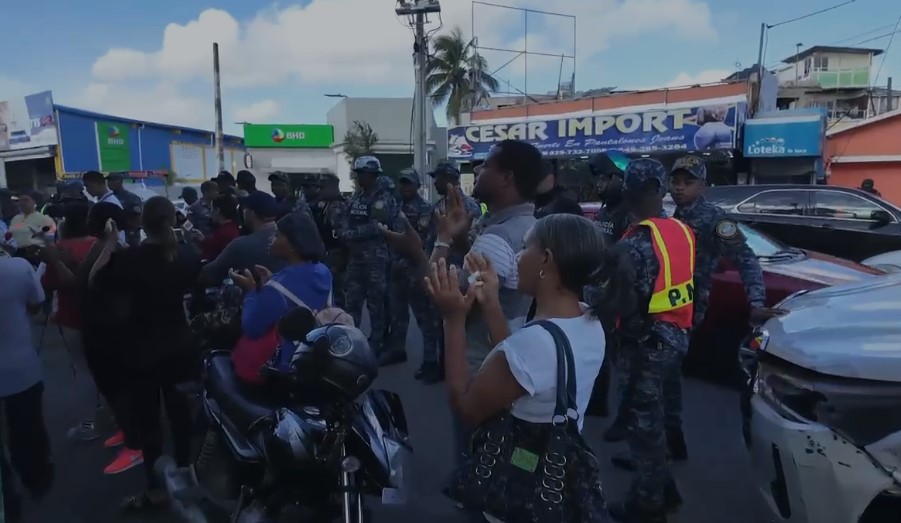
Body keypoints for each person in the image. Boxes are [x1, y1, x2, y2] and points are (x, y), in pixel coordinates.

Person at [424, 214, 636, 523]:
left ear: (546, 260)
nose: (518, 257)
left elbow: (466, 408)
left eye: (525, 248)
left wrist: (452, 320)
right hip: (554, 476)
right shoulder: (586, 318)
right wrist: (492, 304)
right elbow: (524, 366)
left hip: (516, 490)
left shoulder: (535, 344)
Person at [431, 141, 543, 466]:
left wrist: (440, 240)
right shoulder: (528, 227)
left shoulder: (500, 236)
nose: (478, 171)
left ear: (507, 177)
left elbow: (447, 298)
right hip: (507, 355)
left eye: (487, 166)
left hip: (479, 365)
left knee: (475, 467)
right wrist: (464, 240)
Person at [89, 197, 199, 510]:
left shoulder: (129, 259)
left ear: (143, 223)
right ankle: (185, 474)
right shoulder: (186, 253)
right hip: (180, 344)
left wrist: (111, 241)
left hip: (141, 350)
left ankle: (156, 490)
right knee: (181, 417)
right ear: (172, 219)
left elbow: (95, 279)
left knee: (149, 421)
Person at [606, 157, 694, 523]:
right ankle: (664, 485)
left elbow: (620, 299)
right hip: (676, 334)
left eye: (631, 187)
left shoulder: (635, 242)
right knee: (654, 416)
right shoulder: (679, 230)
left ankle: (646, 503)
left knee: (643, 426)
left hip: (644, 341)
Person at [229, 212, 333, 384]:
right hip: (317, 354)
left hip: (287, 364)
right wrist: (271, 281)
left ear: (292, 245)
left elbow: (252, 327)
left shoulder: (277, 287)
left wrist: (251, 291)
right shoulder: (323, 271)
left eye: (277, 235)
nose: (272, 239)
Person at [38, 200, 102, 441]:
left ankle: (88, 426)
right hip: (104, 318)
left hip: (71, 318)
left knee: (82, 370)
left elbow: (47, 285)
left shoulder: (59, 248)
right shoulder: (102, 245)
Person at [0, 245, 54, 523]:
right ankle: (37, 480)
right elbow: (36, 305)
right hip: (20, 368)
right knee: (28, 430)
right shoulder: (18, 267)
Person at [383, 168, 441, 377]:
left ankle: (430, 360)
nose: (405, 187)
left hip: (416, 269)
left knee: (425, 318)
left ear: (417, 185)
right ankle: (397, 350)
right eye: (402, 182)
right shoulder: (393, 206)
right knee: (397, 314)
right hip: (395, 268)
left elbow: (431, 241)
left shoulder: (426, 209)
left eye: (409, 183)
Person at [340, 156, 399, 360]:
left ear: (372, 175)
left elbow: (378, 227)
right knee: (353, 302)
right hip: (355, 260)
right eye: (357, 174)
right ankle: (351, 341)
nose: (358, 178)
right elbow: (345, 220)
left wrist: (351, 234)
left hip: (376, 259)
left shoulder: (384, 199)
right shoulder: (357, 197)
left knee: (376, 305)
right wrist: (347, 231)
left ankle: (375, 344)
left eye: (361, 174)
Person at [199, 191, 286, 285]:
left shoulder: (241, 245)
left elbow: (208, 273)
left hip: (253, 297)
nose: (242, 212)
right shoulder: (289, 240)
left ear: (251, 213)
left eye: (244, 209)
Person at [429, 162, 481, 267]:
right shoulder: (437, 206)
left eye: (437, 178)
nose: (434, 182)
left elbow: (474, 245)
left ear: (449, 179)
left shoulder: (470, 207)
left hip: (460, 268)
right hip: (437, 265)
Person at [311, 173, 348, 308]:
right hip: (326, 254)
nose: (320, 191)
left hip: (337, 255)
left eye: (323, 188)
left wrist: (341, 259)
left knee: (337, 294)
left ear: (333, 187)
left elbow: (343, 236)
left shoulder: (339, 206)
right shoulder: (323, 205)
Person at [8, 191, 56, 258]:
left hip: (36, 254)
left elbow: (50, 241)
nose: (22, 203)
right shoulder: (15, 219)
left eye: (26, 200)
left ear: (34, 201)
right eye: (20, 200)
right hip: (16, 254)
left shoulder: (45, 219)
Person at [195, 195, 241, 261]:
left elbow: (211, 256)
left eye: (212, 208)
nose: (210, 212)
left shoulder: (222, 233)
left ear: (217, 210)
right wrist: (203, 240)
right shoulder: (235, 227)